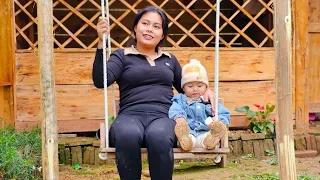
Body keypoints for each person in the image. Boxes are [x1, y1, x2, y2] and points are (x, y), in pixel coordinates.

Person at [92, 6, 215, 180]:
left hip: (163, 116)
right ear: (135, 27)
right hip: (130, 115)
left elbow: (186, 86)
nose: (150, 29)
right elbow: (100, 81)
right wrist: (100, 43)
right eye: (145, 23)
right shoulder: (122, 55)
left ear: (163, 34)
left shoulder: (169, 59)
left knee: (159, 137)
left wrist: (206, 89)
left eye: (156, 26)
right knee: (127, 135)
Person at [169, 59, 230, 151]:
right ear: (183, 88)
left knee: (207, 138)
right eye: (190, 86)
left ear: (206, 87)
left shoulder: (209, 101)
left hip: (205, 132)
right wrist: (180, 118)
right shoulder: (180, 99)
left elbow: (224, 113)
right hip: (189, 132)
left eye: (200, 86)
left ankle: (211, 140)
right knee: (187, 137)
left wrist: (217, 120)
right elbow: (174, 109)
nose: (195, 89)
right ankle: (186, 141)